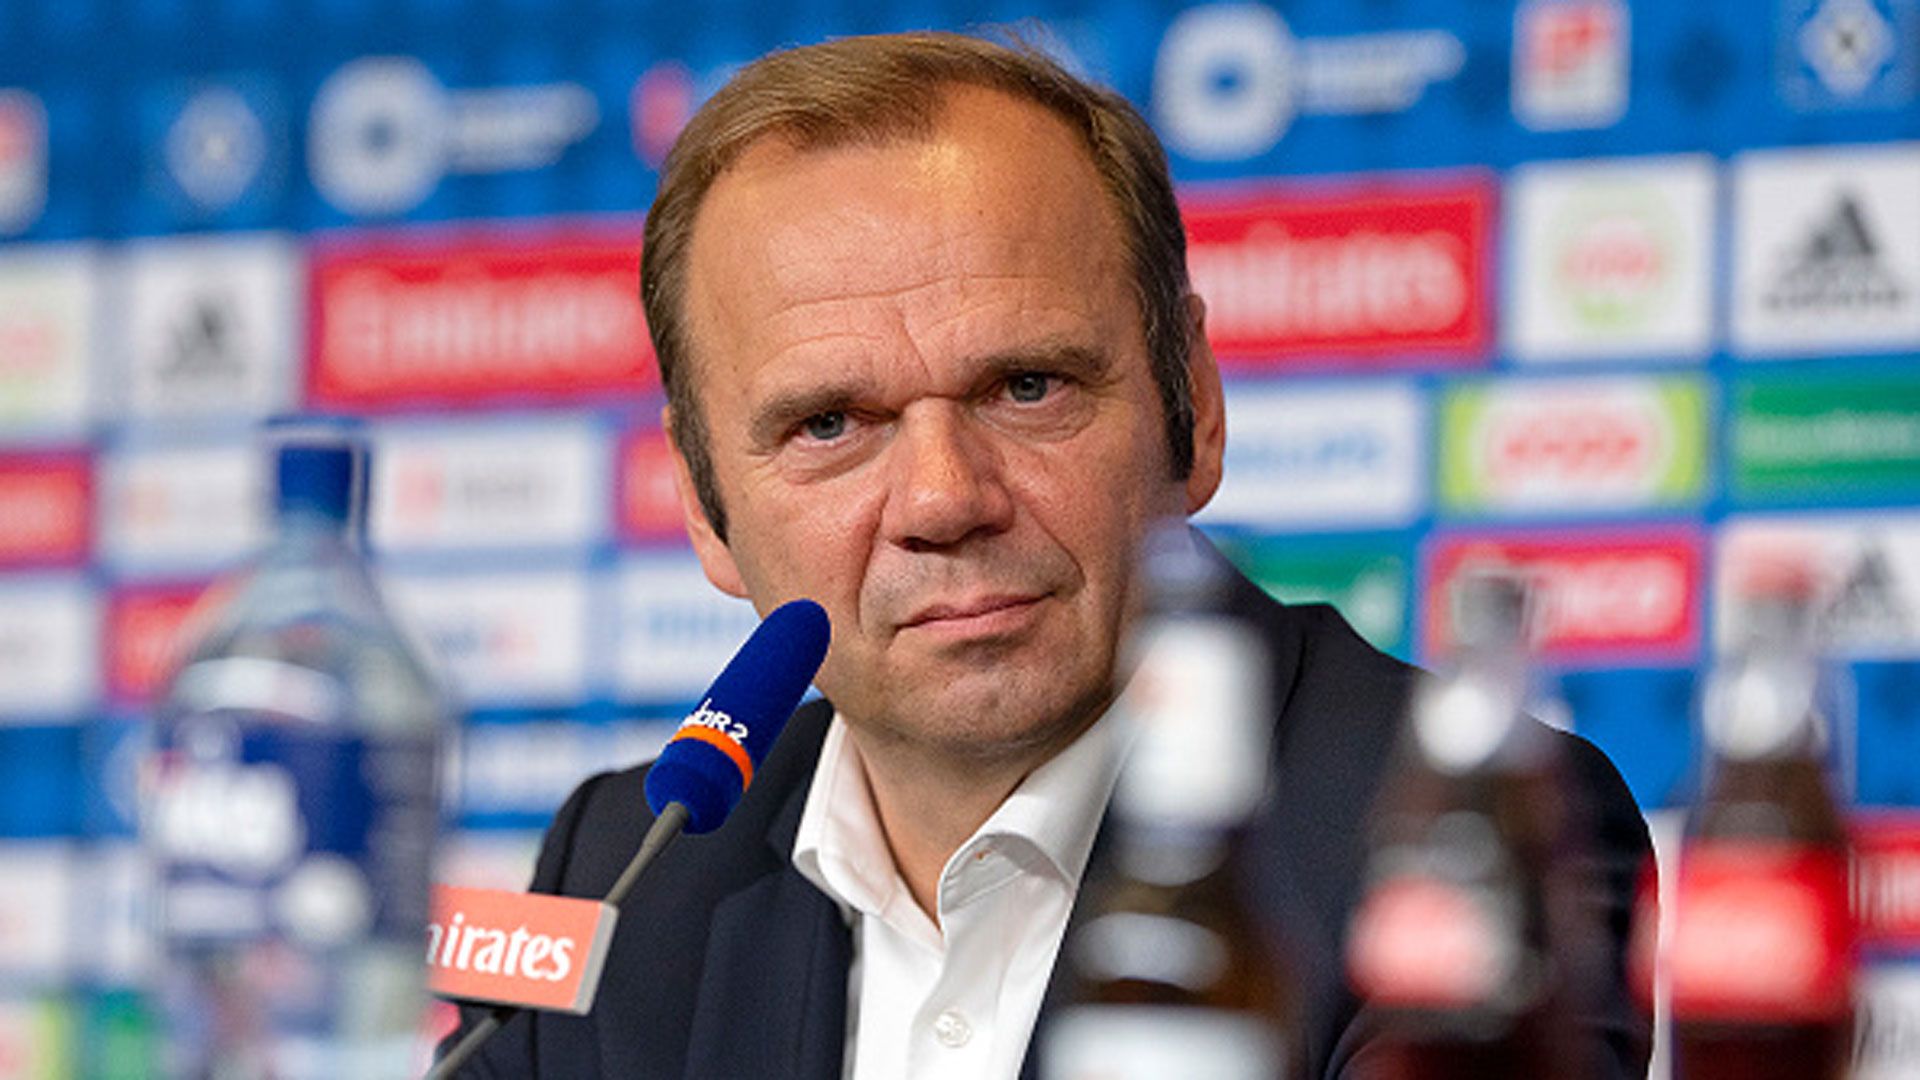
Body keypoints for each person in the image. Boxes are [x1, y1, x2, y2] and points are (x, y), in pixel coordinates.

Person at [438, 30, 1652, 1079]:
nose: (942, 499)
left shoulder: (1462, 836)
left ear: (1197, 408)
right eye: (828, 426)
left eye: (1027, 387)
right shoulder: (625, 870)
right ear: (705, 507)